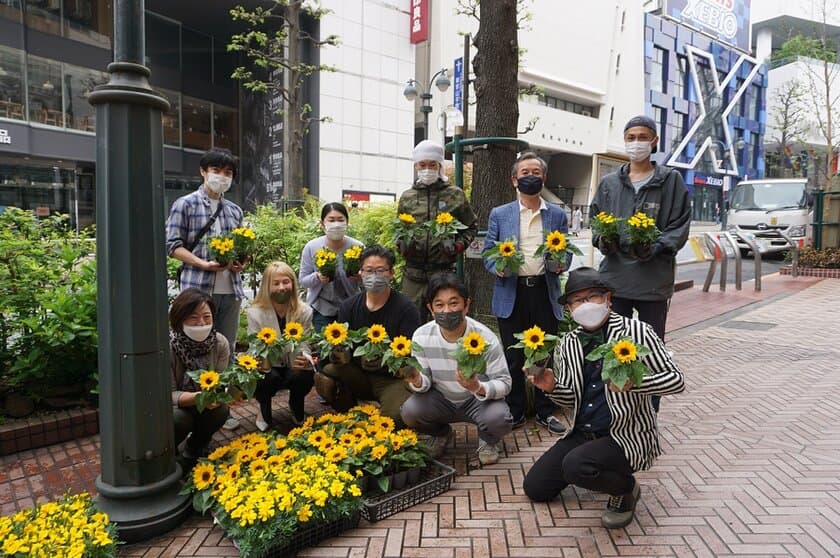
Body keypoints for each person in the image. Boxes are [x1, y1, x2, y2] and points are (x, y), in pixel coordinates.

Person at [523, 267, 684, 529]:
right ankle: (593, 467)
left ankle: (625, 488)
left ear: (608, 298)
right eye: (577, 300)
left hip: (624, 434)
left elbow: (677, 381)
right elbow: (571, 399)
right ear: (570, 308)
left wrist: (635, 384)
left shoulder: (637, 332)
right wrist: (551, 387)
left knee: (575, 466)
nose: (585, 305)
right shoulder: (568, 343)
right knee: (536, 488)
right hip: (582, 432)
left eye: (593, 297)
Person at [483, 151, 570, 435]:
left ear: (544, 178)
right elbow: (488, 252)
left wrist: (560, 264)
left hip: (544, 292)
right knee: (514, 356)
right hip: (512, 293)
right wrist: (498, 267)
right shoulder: (500, 213)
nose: (530, 177)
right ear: (514, 180)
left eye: (536, 172)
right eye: (525, 173)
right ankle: (516, 410)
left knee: (544, 353)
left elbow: (565, 253)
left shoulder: (557, 214)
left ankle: (546, 411)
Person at [590, 115, 691, 340]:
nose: (636, 142)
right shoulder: (610, 183)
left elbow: (680, 224)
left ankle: (651, 377)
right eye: (631, 137)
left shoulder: (671, 181)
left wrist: (658, 246)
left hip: (653, 281)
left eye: (643, 137)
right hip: (616, 280)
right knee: (614, 346)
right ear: (625, 141)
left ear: (654, 141)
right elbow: (595, 220)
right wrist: (604, 240)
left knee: (651, 347)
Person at [165, 148, 244, 430]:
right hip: (198, 290)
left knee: (226, 349)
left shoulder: (234, 210)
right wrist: (201, 263)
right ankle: (192, 402)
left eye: (228, 173)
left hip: (230, 290)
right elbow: (172, 246)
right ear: (203, 171)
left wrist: (239, 263)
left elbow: (242, 248)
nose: (221, 177)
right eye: (216, 171)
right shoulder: (184, 204)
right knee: (194, 347)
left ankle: (222, 407)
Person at [401, 273, 513, 466]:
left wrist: (478, 387)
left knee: (500, 419)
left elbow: (505, 383)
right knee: (410, 411)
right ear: (430, 309)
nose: (447, 311)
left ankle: (489, 441)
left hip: (478, 402)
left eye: (454, 303)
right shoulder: (421, 336)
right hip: (442, 400)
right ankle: (441, 433)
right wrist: (417, 380)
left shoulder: (485, 338)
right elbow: (425, 382)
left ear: (466, 305)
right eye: (439, 305)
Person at [314, 245, 420, 425]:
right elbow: (339, 343)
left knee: (394, 419)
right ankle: (349, 413)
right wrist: (339, 354)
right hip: (359, 374)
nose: (374, 276)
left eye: (380, 270)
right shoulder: (348, 306)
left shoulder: (406, 309)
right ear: (360, 273)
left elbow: (413, 359)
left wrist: (386, 363)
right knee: (328, 374)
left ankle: (394, 407)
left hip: (391, 379)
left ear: (391, 273)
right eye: (369, 270)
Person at [396, 139, 477, 318]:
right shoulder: (408, 197)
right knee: (410, 321)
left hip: (443, 272)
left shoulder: (454, 194)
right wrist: (401, 244)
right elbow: (399, 229)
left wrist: (458, 246)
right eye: (422, 164)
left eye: (432, 164)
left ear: (439, 165)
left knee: (445, 319)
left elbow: (471, 227)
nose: (427, 169)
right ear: (416, 166)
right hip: (412, 274)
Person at [247, 262, 315, 431]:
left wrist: (305, 358)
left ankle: (296, 404)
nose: (282, 287)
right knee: (265, 379)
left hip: (292, 361)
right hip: (269, 364)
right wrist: (258, 362)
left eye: (286, 282)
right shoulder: (255, 313)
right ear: (266, 286)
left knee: (303, 375)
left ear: (293, 283)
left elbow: (305, 341)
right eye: (275, 283)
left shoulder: (305, 311)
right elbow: (255, 346)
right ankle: (264, 409)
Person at [169, 288, 231, 469]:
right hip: (177, 406)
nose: (201, 323)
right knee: (178, 419)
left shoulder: (220, 343)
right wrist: (199, 398)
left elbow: (221, 381)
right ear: (179, 319)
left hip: (204, 402)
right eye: (193, 317)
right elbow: (168, 395)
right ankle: (168, 451)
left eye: (207, 316)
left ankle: (195, 446)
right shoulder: (168, 347)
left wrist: (221, 395)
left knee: (221, 411)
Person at [299, 203, 364, 334]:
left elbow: (368, 277)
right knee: (326, 347)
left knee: (350, 347)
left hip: (351, 306)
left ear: (347, 222)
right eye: (331, 220)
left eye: (340, 220)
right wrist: (317, 277)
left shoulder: (358, 247)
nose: (336, 224)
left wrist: (361, 277)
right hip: (322, 308)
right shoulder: (312, 247)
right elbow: (303, 280)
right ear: (322, 223)